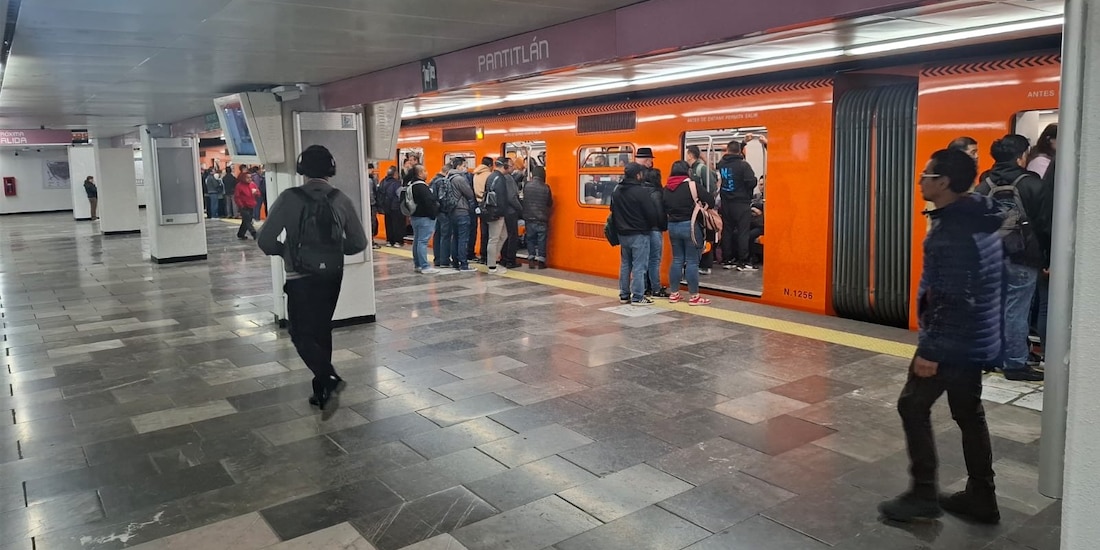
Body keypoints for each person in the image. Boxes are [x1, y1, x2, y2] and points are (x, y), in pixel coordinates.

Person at [878, 148, 1003, 525]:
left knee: (911, 406)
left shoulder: (951, 233)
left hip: (952, 341)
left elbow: (952, 295)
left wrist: (930, 351)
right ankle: (982, 496)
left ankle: (922, 494)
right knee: (968, 411)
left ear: (944, 182)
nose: (921, 180)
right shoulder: (978, 214)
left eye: (926, 175)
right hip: (976, 337)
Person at [258, 145, 367, 409]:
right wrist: (335, 250)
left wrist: (285, 252)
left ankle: (328, 377)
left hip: (300, 276)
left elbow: (265, 240)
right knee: (321, 328)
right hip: (332, 275)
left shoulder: (289, 198)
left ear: (302, 169)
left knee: (299, 332)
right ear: (331, 169)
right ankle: (321, 391)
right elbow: (359, 242)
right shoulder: (341, 199)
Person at [975, 134, 1052, 382]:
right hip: (1023, 257)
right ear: (1021, 156)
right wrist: (1047, 257)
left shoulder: (983, 183)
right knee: (1016, 310)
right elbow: (1044, 225)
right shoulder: (1032, 184)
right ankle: (1015, 363)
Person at [663, 161, 712, 306]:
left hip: (672, 226)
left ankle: (674, 294)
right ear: (687, 171)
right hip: (690, 226)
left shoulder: (666, 188)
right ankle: (694, 297)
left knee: (677, 259)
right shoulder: (692, 186)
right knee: (692, 262)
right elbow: (710, 200)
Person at [612, 162, 661, 306]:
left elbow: (612, 211)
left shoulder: (617, 190)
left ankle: (624, 294)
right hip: (639, 234)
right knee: (639, 266)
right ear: (638, 175)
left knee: (625, 264)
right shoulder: (641, 192)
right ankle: (638, 296)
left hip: (623, 234)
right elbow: (651, 213)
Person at [717, 141, 758, 271]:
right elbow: (751, 182)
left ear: (727, 150)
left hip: (726, 203)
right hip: (741, 203)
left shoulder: (722, 164)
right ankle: (743, 261)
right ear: (740, 151)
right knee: (743, 232)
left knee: (727, 231)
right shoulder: (743, 166)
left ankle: (727, 259)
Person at [636, 147, 668, 297]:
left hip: (640, 229)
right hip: (654, 229)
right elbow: (660, 214)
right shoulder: (656, 192)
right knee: (654, 260)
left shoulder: (636, 188)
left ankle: (643, 288)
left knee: (642, 260)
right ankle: (655, 288)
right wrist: (663, 227)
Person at [483, 157, 522, 274]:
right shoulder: (500, 179)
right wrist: (500, 213)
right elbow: (501, 199)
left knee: (503, 235)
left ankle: (494, 260)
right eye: (510, 166)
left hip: (494, 212)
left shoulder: (492, 176)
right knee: (494, 239)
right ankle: (492, 266)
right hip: (497, 213)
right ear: (504, 166)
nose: (512, 168)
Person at [441, 158, 476, 271]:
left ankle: (455, 262)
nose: (466, 168)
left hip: (452, 212)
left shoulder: (448, 177)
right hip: (462, 211)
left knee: (455, 237)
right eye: (464, 165)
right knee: (463, 239)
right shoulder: (460, 179)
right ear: (459, 166)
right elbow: (470, 194)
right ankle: (464, 264)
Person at [687, 145, 717, 274]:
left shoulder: (701, 169)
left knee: (705, 235)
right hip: (695, 208)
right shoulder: (691, 169)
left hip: (702, 207)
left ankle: (705, 264)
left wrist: (706, 203)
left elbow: (712, 187)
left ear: (690, 155)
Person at [406, 165, 440, 274]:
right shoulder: (422, 187)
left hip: (415, 216)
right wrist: (434, 214)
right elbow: (429, 202)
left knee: (417, 240)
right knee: (422, 241)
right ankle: (425, 266)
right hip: (425, 217)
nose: (426, 172)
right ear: (420, 173)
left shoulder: (412, 185)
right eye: (424, 171)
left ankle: (418, 264)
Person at [522, 165, 553, 269]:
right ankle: (541, 262)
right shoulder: (546, 187)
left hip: (529, 218)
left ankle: (531, 260)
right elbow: (549, 203)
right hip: (541, 219)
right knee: (541, 240)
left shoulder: (527, 186)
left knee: (530, 239)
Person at [473, 157, 494, 263]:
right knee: (491, 233)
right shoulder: (489, 175)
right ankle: (488, 257)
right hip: (488, 205)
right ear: (490, 165)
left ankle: (483, 255)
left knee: (483, 232)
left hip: (479, 204)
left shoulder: (476, 174)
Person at [380, 167, 405, 247]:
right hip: (395, 207)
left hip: (386, 207)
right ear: (395, 174)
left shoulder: (382, 182)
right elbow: (400, 194)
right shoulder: (396, 183)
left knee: (389, 224)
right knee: (397, 224)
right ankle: (398, 241)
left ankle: (389, 241)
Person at [234, 171, 259, 240]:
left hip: (251, 205)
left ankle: (241, 234)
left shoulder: (252, 184)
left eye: (250, 177)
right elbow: (237, 197)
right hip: (243, 206)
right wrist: (241, 205)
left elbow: (258, 193)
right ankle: (254, 233)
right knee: (248, 220)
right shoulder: (239, 186)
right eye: (247, 178)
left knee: (246, 220)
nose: (250, 179)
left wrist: (256, 193)